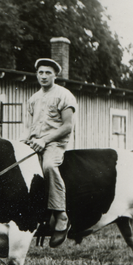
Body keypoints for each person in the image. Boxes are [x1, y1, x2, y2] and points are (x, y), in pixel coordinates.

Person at [25, 58, 78, 247]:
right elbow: (31, 126)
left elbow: (67, 127)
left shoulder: (64, 95)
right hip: (35, 143)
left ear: (55, 75)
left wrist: (44, 140)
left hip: (54, 144)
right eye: (40, 72)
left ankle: (61, 215)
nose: (44, 76)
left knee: (48, 166)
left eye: (48, 72)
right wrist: (28, 140)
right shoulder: (33, 98)